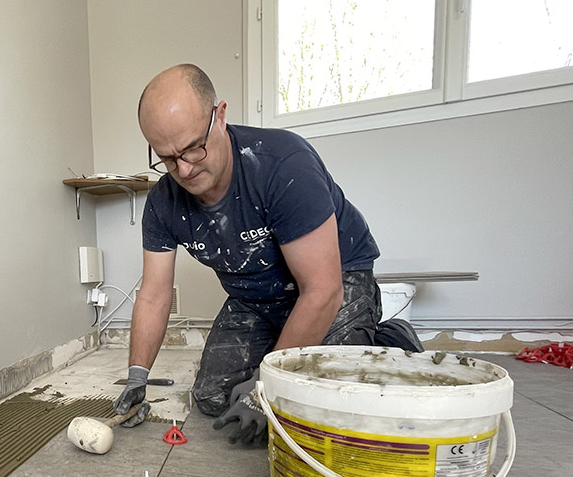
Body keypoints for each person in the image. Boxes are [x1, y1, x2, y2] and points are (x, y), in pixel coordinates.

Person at [114, 63, 419, 445]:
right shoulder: (163, 202)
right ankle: (284, 346)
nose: (185, 168)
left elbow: (322, 290)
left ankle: (385, 340)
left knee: (324, 400)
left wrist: (265, 385)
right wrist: (137, 377)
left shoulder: (282, 165)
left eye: (194, 147)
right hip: (256, 299)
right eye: (168, 158)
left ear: (220, 116)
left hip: (336, 282)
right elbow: (154, 294)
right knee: (212, 397)